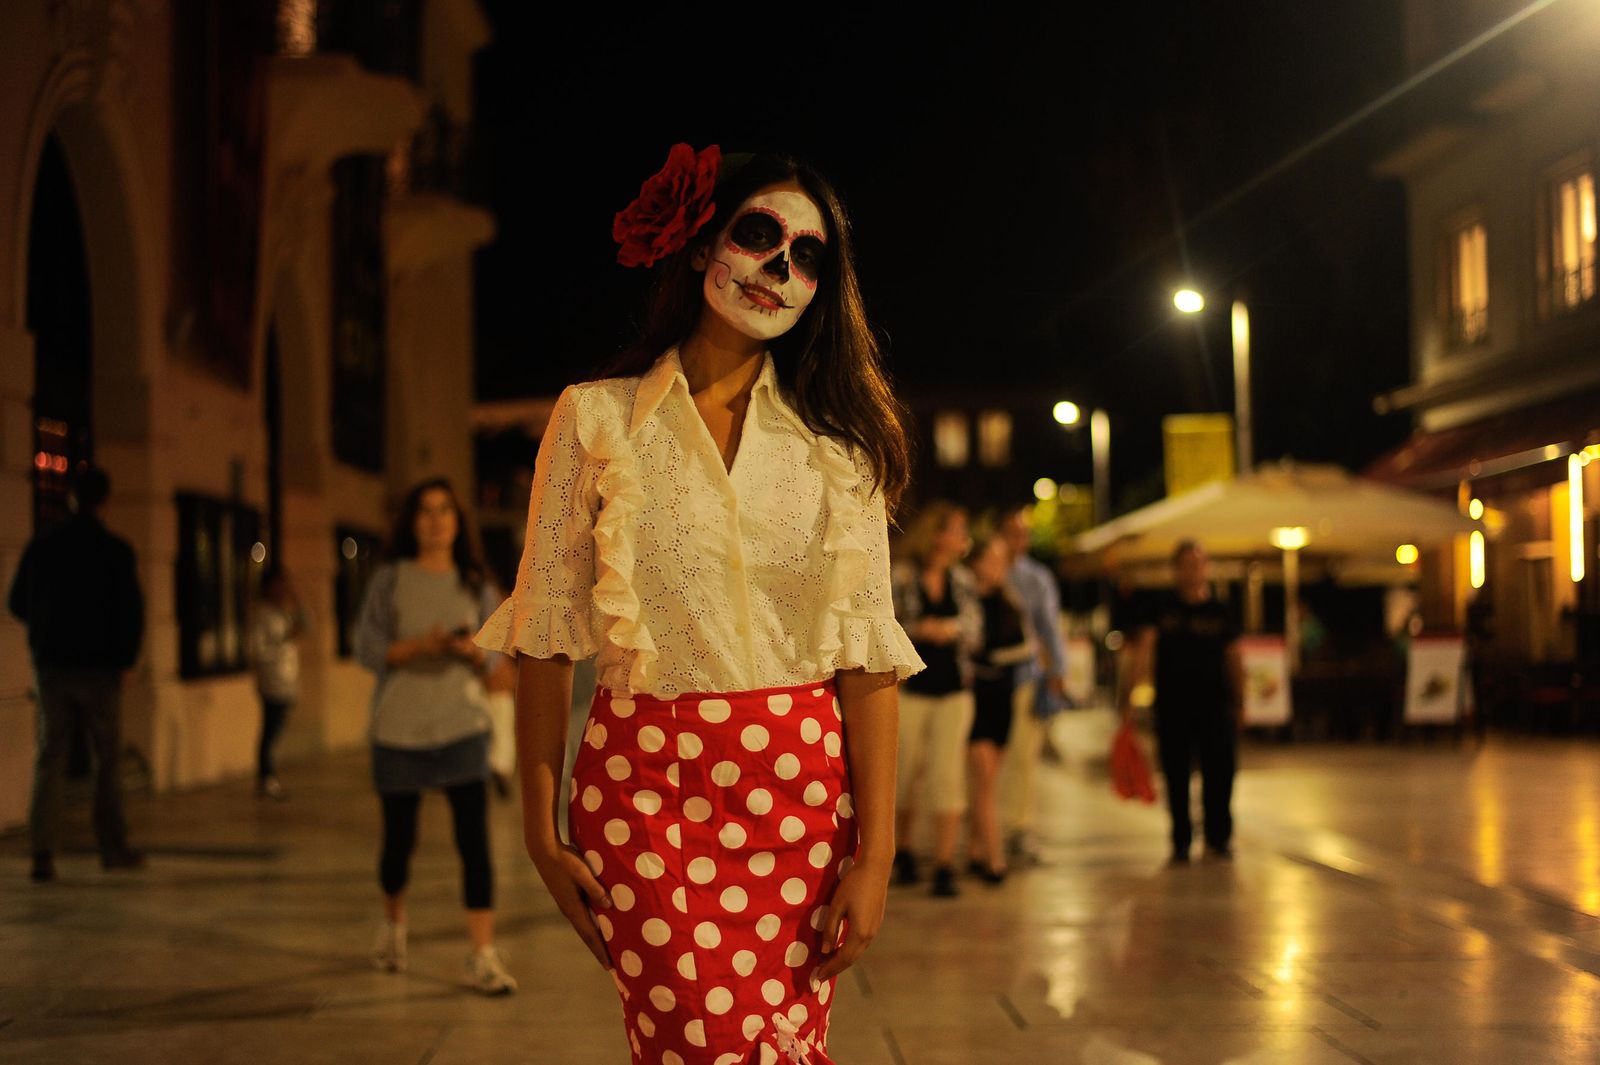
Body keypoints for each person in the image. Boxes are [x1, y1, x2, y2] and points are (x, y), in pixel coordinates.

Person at [476, 145, 923, 1065]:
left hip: (801, 796)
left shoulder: (842, 451)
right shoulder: (593, 419)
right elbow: (547, 628)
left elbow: (868, 660)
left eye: (806, 257)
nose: (777, 268)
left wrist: (874, 856)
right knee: (701, 1042)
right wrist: (537, 825)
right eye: (758, 234)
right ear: (696, 246)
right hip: (643, 793)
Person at [353, 477, 517, 995]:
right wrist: (421, 646)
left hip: (462, 727)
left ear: (457, 521)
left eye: (445, 510)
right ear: (411, 521)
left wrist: (474, 651)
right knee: (399, 841)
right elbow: (366, 647)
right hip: (399, 730)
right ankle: (393, 927)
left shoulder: (476, 584)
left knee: (475, 843)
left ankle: (482, 953)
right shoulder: (389, 579)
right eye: (425, 511)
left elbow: (497, 653)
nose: (435, 519)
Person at [8, 466, 145, 883]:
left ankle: (43, 852)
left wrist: (46, 632)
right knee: (107, 758)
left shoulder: (44, 546)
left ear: (70, 498)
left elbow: (17, 601)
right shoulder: (115, 550)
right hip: (101, 668)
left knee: (51, 755)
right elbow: (131, 612)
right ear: (104, 501)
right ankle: (112, 846)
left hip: (53, 666)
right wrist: (124, 659)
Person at [1119, 540, 1243, 863]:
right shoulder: (1162, 609)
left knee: (1220, 773)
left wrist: (1241, 702)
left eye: (1199, 563)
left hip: (1216, 705)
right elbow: (1143, 652)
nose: (1193, 570)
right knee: (1176, 775)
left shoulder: (1221, 610)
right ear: (1176, 570)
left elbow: (1235, 657)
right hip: (1174, 706)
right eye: (1187, 564)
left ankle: (1219, 836)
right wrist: (1131, 698)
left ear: (1207, 568)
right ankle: (1181, 839)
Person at [890, 500, 982, 897]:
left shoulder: (962, 580)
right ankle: (904, 851)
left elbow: (976, 630)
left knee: (947, 775)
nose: (963, 537)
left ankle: (945, 864)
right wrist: (919, 629)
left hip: (953, 690)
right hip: (911, 689)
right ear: (938, 534)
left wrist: (952, 629)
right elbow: (887, 623)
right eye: (957, 528)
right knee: (905, 772)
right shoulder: (903, 576)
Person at [994, 504, 1069, 864]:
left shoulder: (1035, 578)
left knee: (1023, 756)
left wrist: (1057, 673)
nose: (1018, 540)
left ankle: (1018, 827)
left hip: (1025, 676)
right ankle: (990, 826)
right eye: (1012, 532)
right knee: (988, 757)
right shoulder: (984, 571)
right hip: (987, 679)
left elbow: (1050, 627)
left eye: (1023, 533)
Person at [964, 531, 1034, 883]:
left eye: (1002, 560)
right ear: (976, 563)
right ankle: (995, 858)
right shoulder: (966, 601)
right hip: (975, 698)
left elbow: (1026, 647)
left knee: (988, 781)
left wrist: (994, 657)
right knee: (985, 782)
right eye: (991, 559)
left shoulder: (1009, 602)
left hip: (1002, 698)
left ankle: (975, 850)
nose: (998, 567)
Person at [249, 565, 304, 800]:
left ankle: (268, 776)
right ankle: (266, 777)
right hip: (272, 681)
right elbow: (256, 651)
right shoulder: (261, 616)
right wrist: (283, 640)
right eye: (278, 584)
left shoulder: (284, 613)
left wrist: (297, 598)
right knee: (271, 730)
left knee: (276, 728)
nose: (282, 589)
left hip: (287, 679)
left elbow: (306, 624)